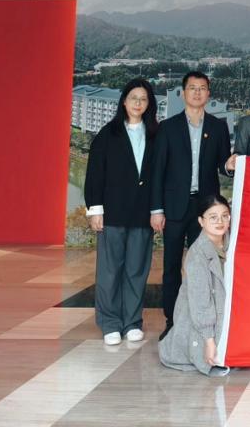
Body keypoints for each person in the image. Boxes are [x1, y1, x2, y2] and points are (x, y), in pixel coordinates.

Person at [150, 71, 232, 340]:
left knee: (206, 266)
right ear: (184, 92)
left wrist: (232, 165)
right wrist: (156, 209)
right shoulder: (168, 127)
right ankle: (173, 322)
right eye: (192, 88)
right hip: (174, 207)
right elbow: (158, 171)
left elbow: (223, 165)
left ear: (209, 93)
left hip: (205, 209)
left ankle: (206, 324)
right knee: (172, 266)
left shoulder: (218, 127)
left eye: (202, 88)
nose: (197, 92)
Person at [85, 78, 158, 346]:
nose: (138, 103)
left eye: (143, 99)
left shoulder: (155, 134)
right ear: (124, 101)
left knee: (136, 270)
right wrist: (95, 210)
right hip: (113, 213)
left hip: (142, 213)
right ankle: (110, 322)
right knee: (110, 271)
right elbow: (95, 174)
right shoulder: (108, 134)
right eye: (133, 98)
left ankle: (132, 322)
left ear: (149, 104)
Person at [159, 194, 232, 376]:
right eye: (213, 217)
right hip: (202, 317)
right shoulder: (197, 254)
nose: (220, 221)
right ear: (201, 221)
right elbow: (200, 303)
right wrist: (209, 341)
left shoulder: (233, 242)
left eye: (224, 216)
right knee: (212, 354)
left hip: (226, 309)